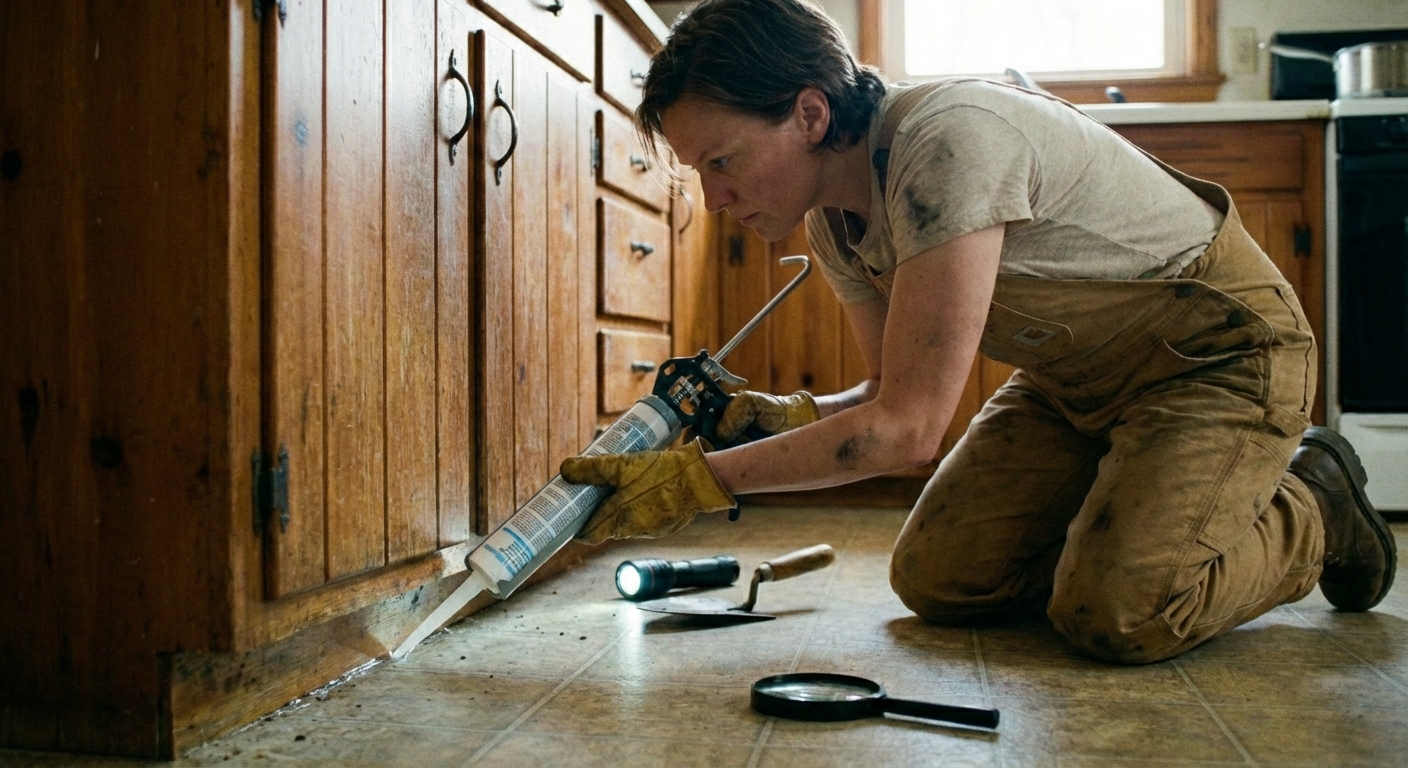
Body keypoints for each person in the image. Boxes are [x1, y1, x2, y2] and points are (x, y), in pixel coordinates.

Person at [558, 0, 1396, 663]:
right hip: (1072, 385)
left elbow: (907, 433)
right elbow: (887, 393)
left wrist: (702, 479)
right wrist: (787, 415)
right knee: (940, 580)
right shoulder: (835, 221)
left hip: (1219, 357)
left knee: (1121, 613)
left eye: (721, 160)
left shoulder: (947, 143)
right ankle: (1136, 514)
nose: (713, 199)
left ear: (809, 114)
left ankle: (1314, 501)